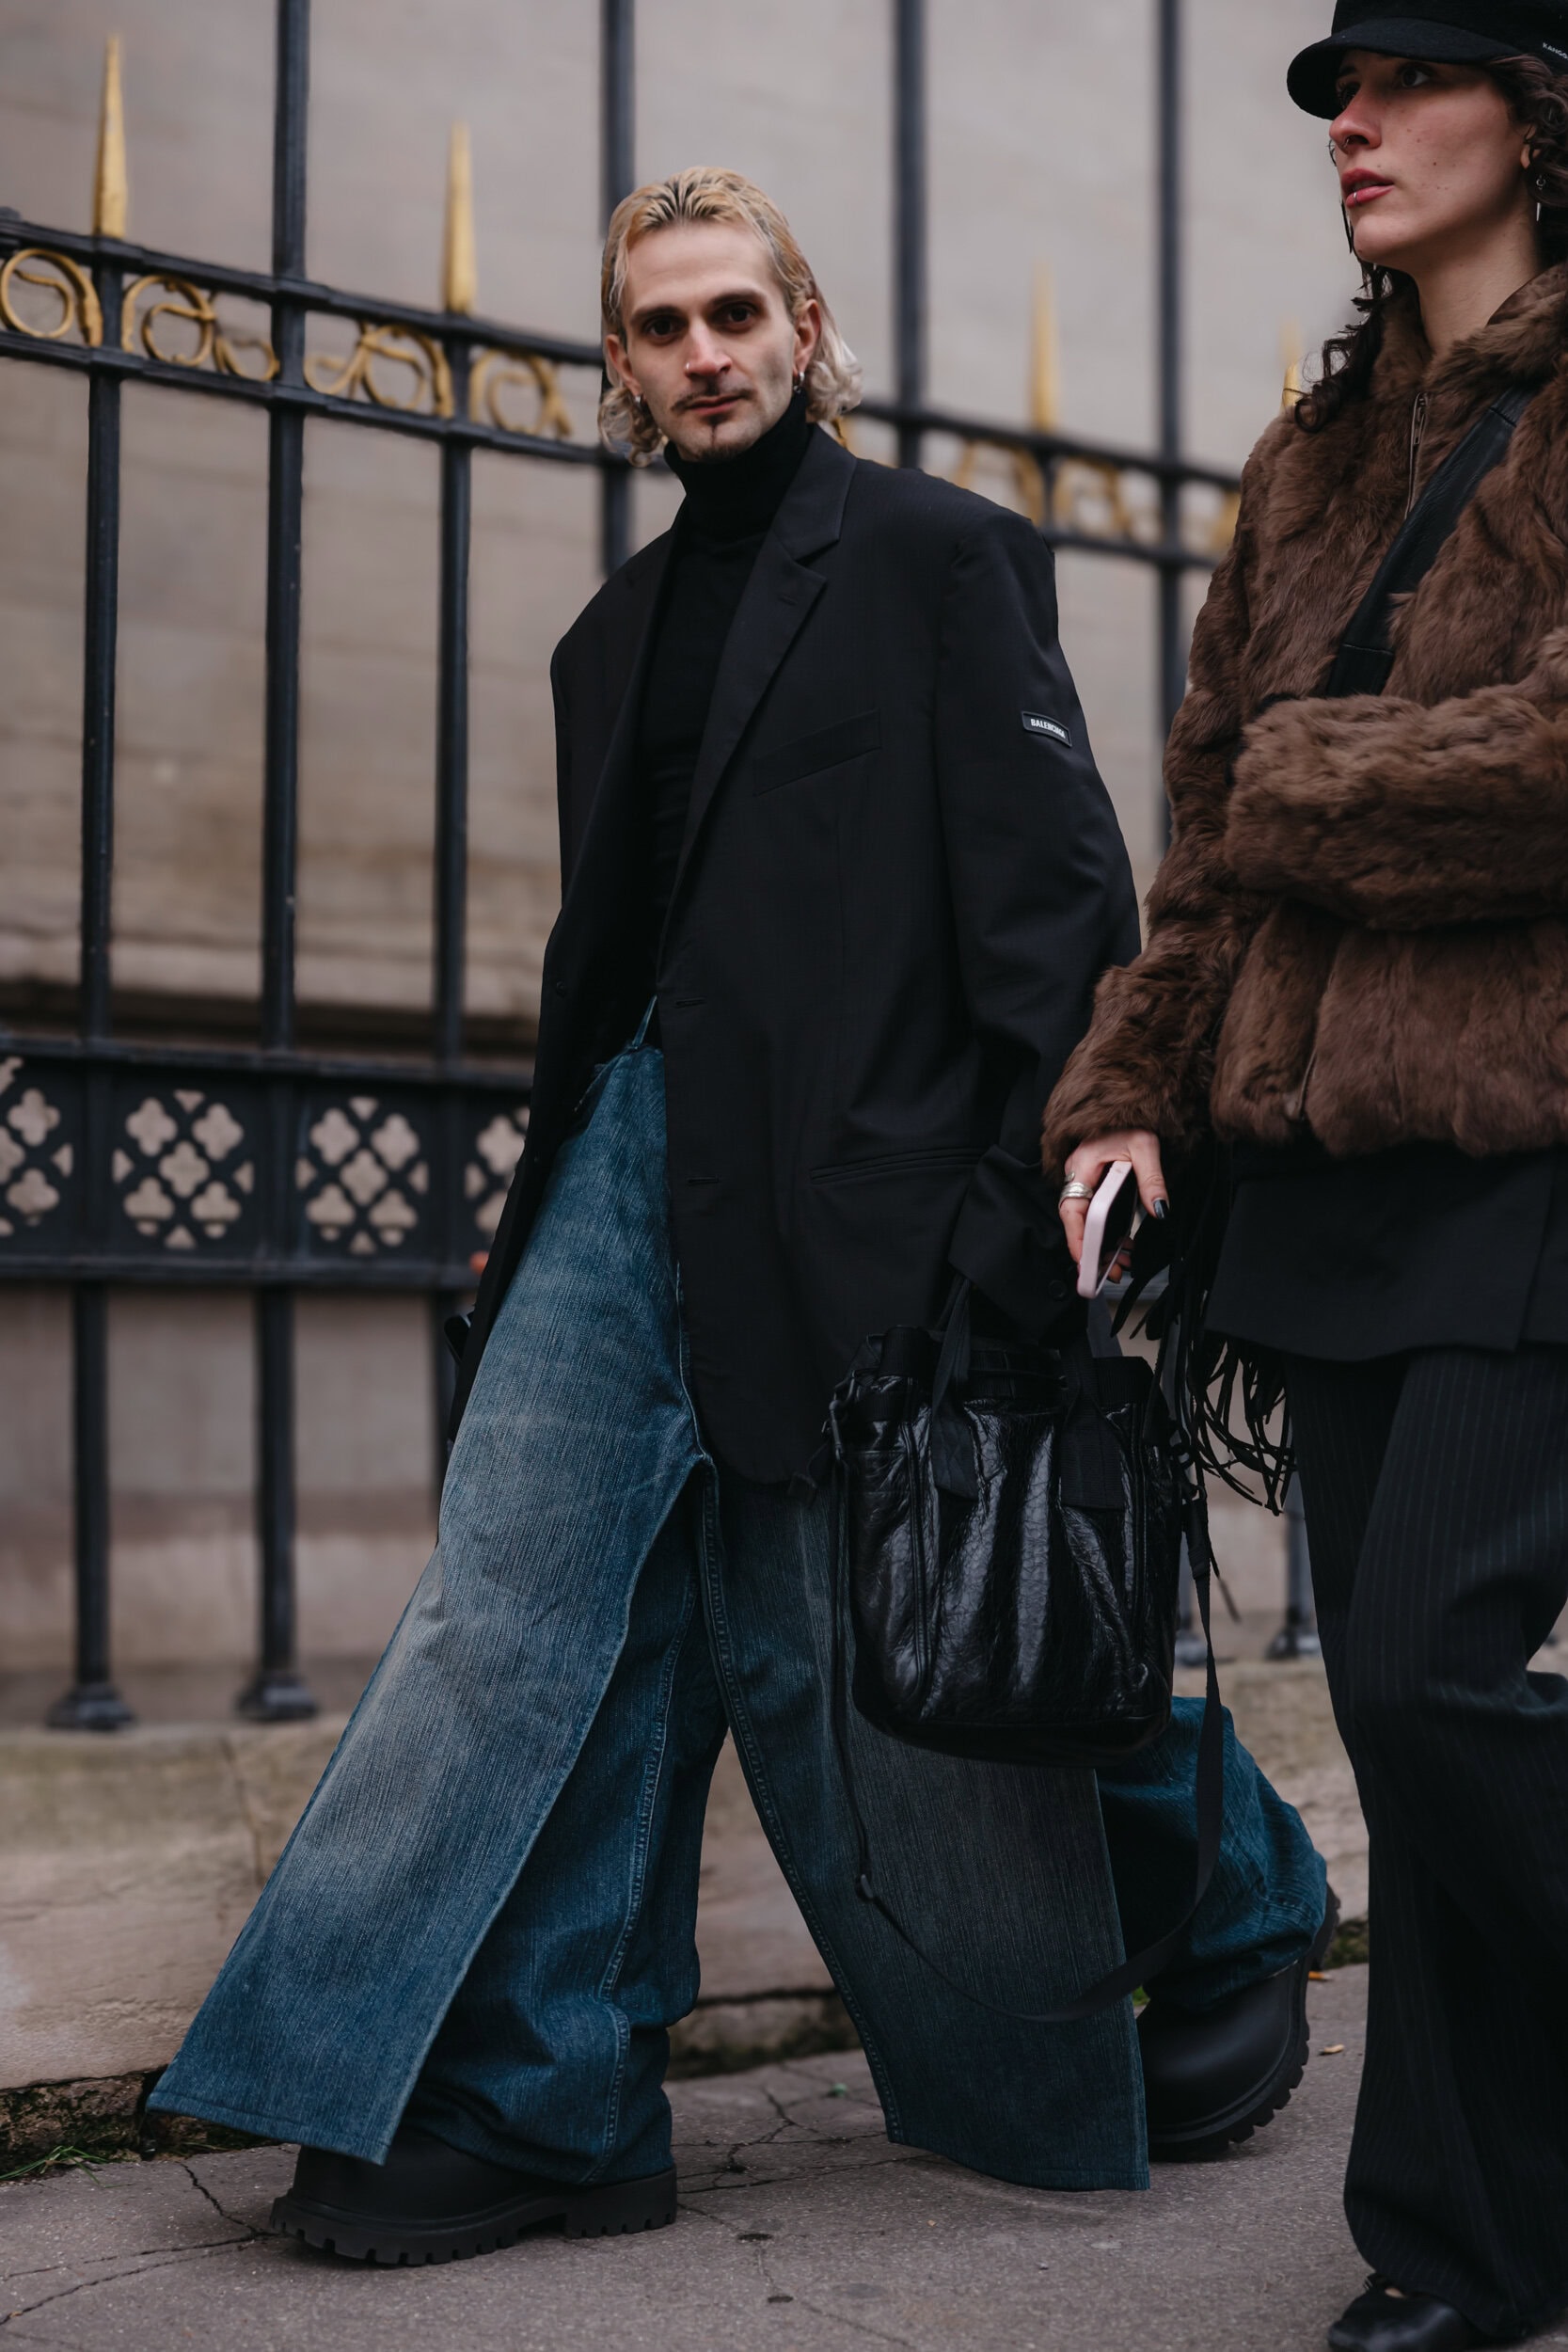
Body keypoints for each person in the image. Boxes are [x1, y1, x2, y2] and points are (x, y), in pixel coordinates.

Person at [149, 167, 1327, 2263]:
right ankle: (547, 2095)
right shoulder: (605, 640)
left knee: (895, 1624)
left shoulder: (941, 558)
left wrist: (1014, 1195)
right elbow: (610, 972)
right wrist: (539, 1224)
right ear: (620, 361)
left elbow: (1061, 901)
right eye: (660, 326)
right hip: (632, 1163)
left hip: (861, 1175)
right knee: (520, 1610)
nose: (701, 354)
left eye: (733, 314)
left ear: (804, 326)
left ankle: (1231, 1895)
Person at [1046, 9, 1568, 2349]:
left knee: (1451, 1668)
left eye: (1402, 79)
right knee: (1387, 1691)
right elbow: (1198, 839)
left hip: (1532, 1124)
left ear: (1540, 109)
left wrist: (1311, 778)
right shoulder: (1310, 455)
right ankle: (1467, 2236)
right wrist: (1128, 1091)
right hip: (1320, 1158)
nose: (1347, 126)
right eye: (1327, 94)